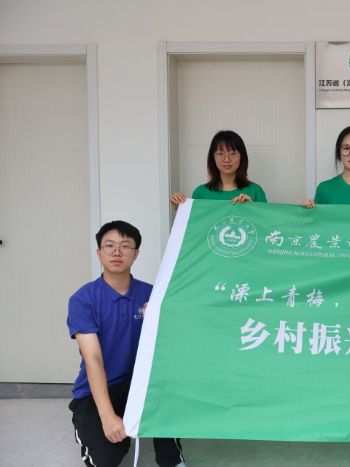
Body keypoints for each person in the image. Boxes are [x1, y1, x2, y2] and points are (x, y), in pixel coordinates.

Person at [67, 221, 185, 467]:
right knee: (107, 458)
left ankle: (172, 459)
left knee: (169, 389)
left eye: (125, 246)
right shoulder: (83, 299)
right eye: (109, 246)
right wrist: (107, 416)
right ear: (99, 253)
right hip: (98, 390)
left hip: (139, 385)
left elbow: (171, 347)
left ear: (136, 253)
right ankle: (105, 426)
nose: (117, 252)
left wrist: (159, 319)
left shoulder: (153, 295)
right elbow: (93, 358)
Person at [170, 130, 267, 208]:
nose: (227, 159)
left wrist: (252, 208)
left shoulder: (255, 191)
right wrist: (180, 208)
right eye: (220, 153)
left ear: (242, 157)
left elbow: (266, 224)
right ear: (213, 157)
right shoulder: (200, 193)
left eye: (233, 153)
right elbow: (194, 224)